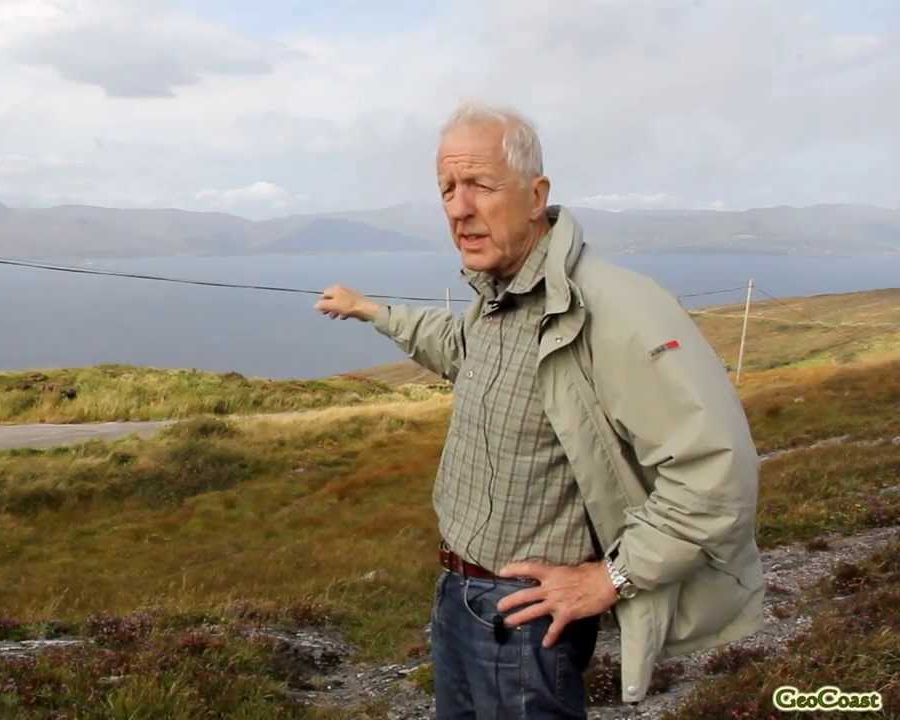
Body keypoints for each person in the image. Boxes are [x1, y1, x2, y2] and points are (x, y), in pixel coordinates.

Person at [314, 101, 763, 718]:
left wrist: (612, 578)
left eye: (479, 185)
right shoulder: (499, 299)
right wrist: (372, 311)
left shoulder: (614, 309)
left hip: (526, 621)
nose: (458, 208)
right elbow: (458, 348)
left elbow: (718, 470)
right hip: (456, 594)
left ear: (535, 193)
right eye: (446, 188)